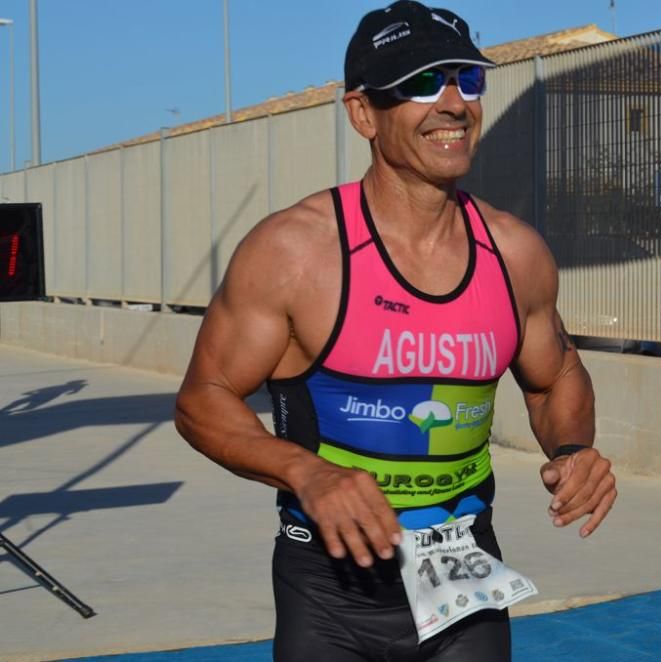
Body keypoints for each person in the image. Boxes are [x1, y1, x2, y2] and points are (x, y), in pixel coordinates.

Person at [174, 2, 617, 660]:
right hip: (331, 592)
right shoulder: (295, 253)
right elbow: (202, 397)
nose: (453, 103)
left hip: (462, 576)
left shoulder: (514, 253)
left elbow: (555, 378)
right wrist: (308, 473)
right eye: (420, 83)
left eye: (467, 80)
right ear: (362, 113)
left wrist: (573, 448)